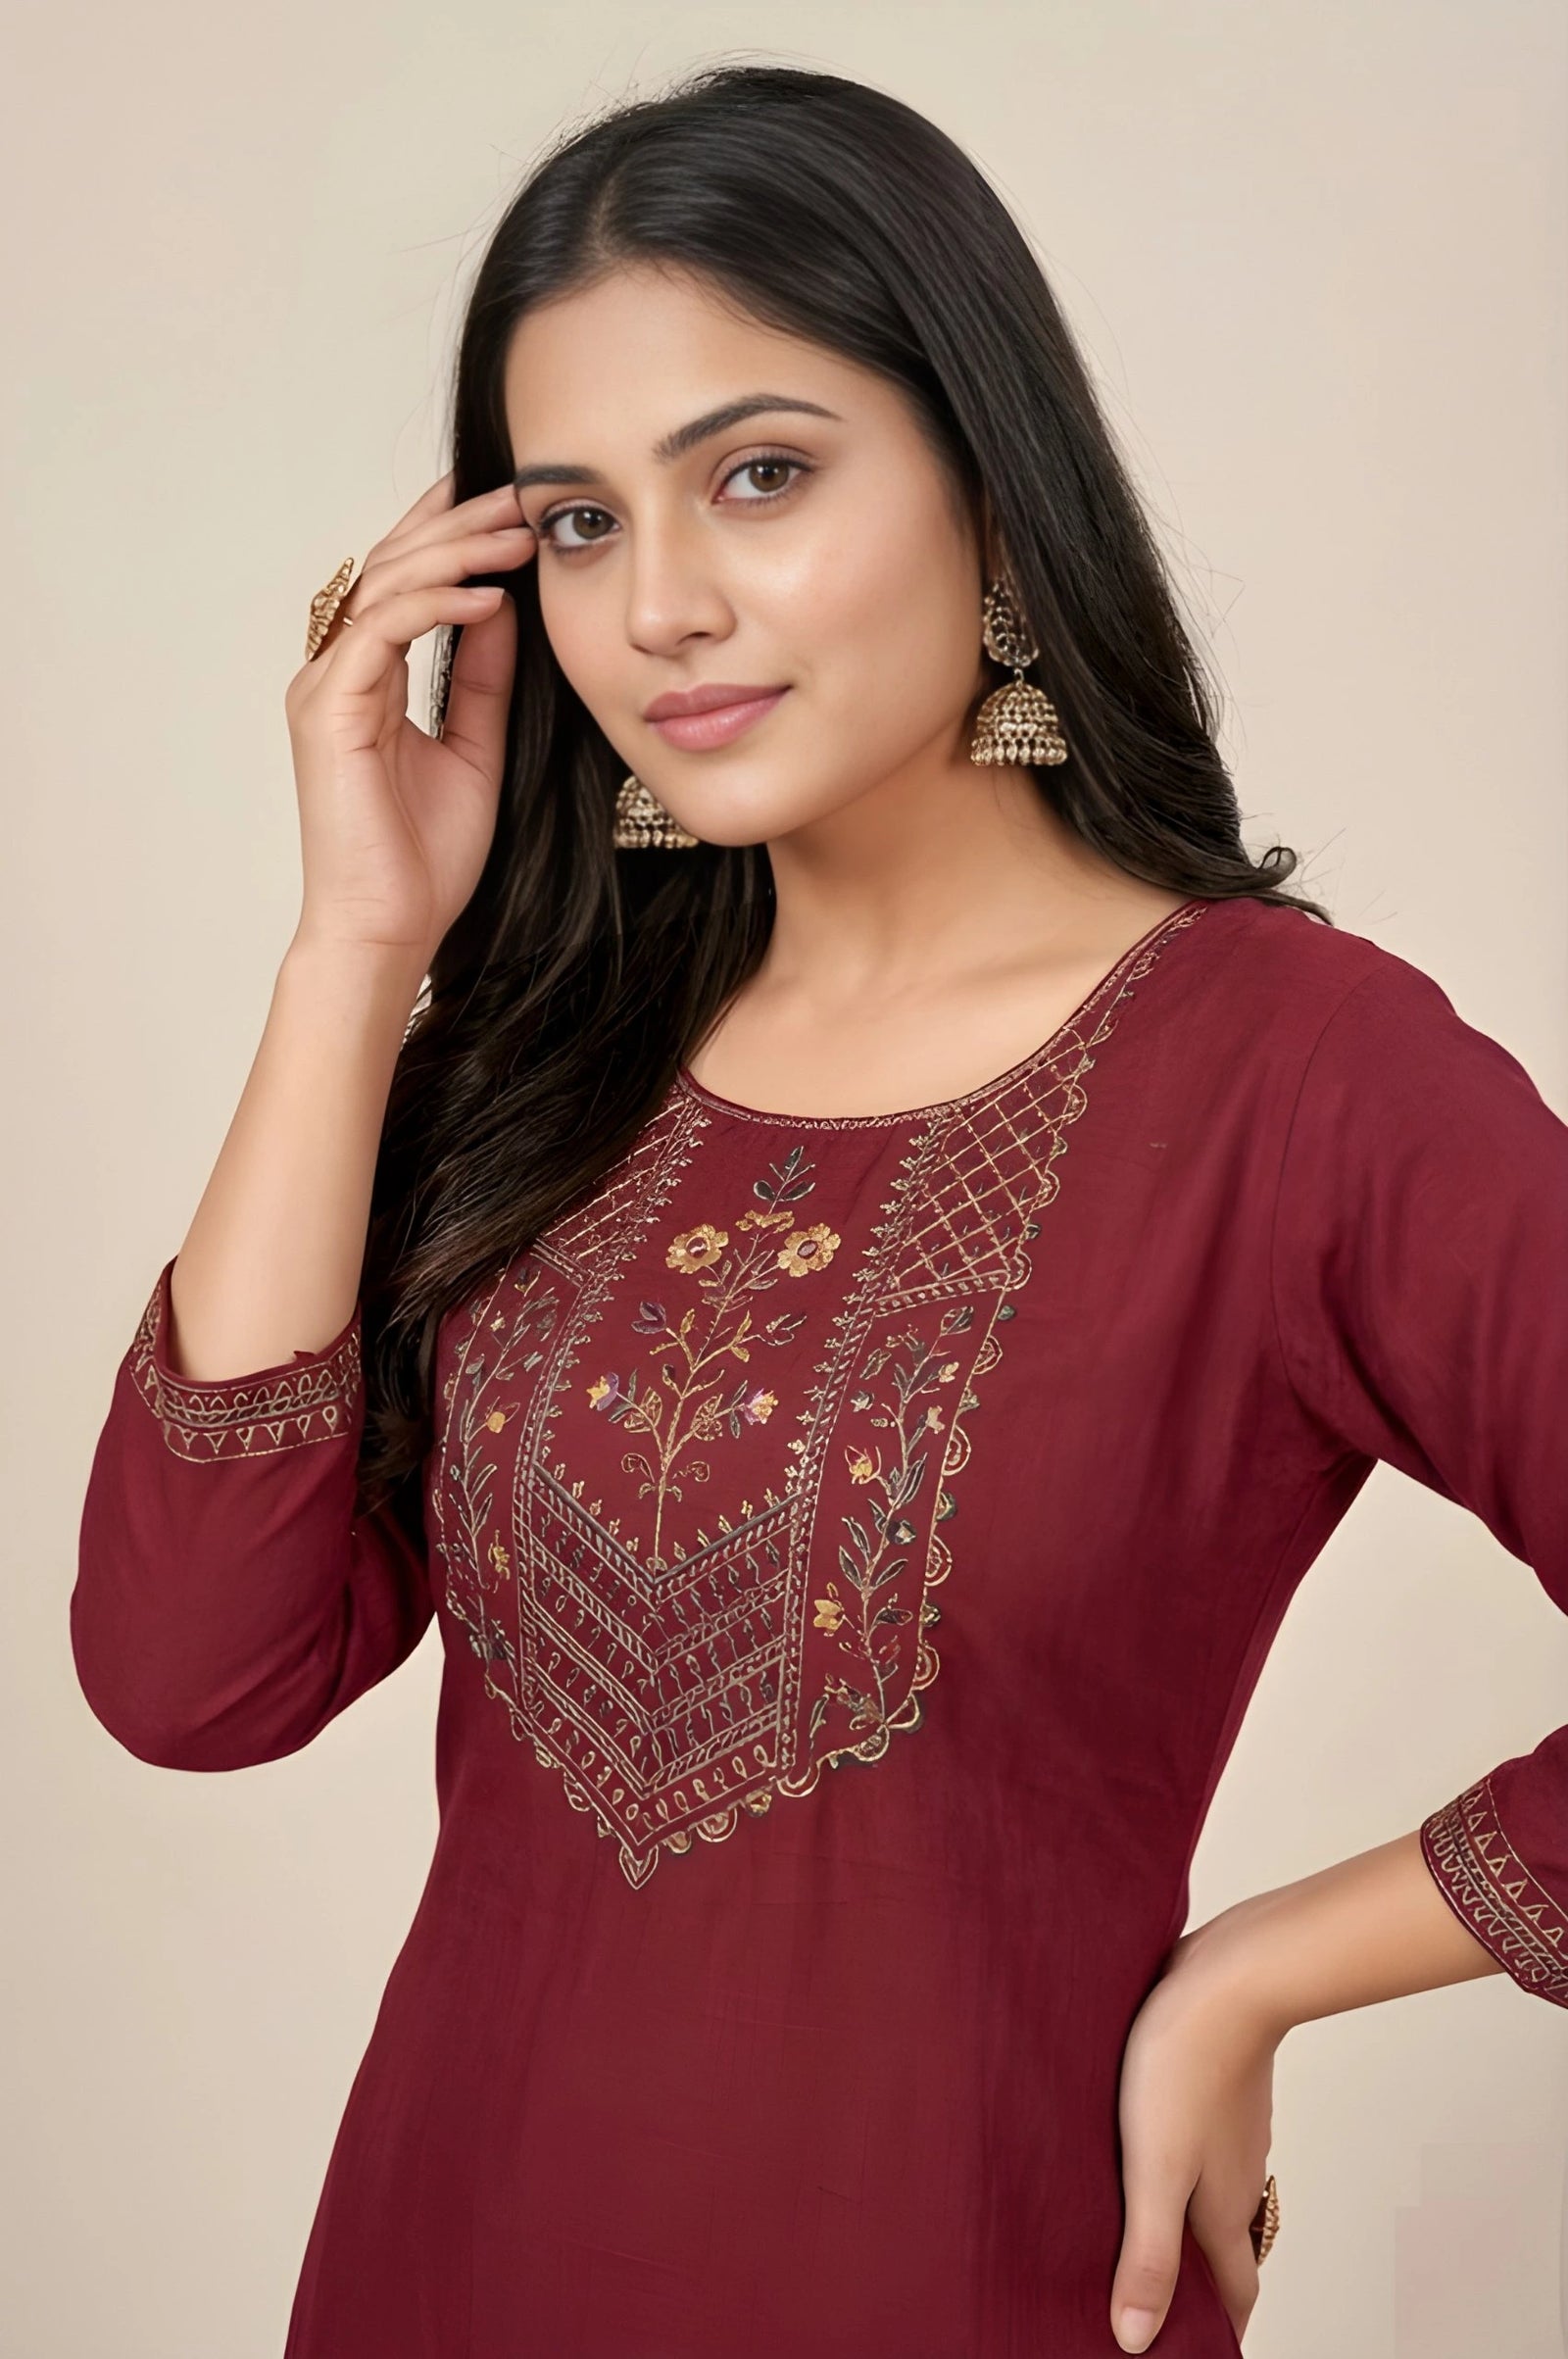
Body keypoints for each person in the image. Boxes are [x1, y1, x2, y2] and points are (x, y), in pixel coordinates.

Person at [72, 62, 1566, 2359]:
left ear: (991, 486)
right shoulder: (538, 1067)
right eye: (578, 524)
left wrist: (1258, 1971)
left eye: (757, 474)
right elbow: (193, 1678)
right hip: (443, 2279)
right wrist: (354, 953)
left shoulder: (1295, 1080)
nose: (661, 605)